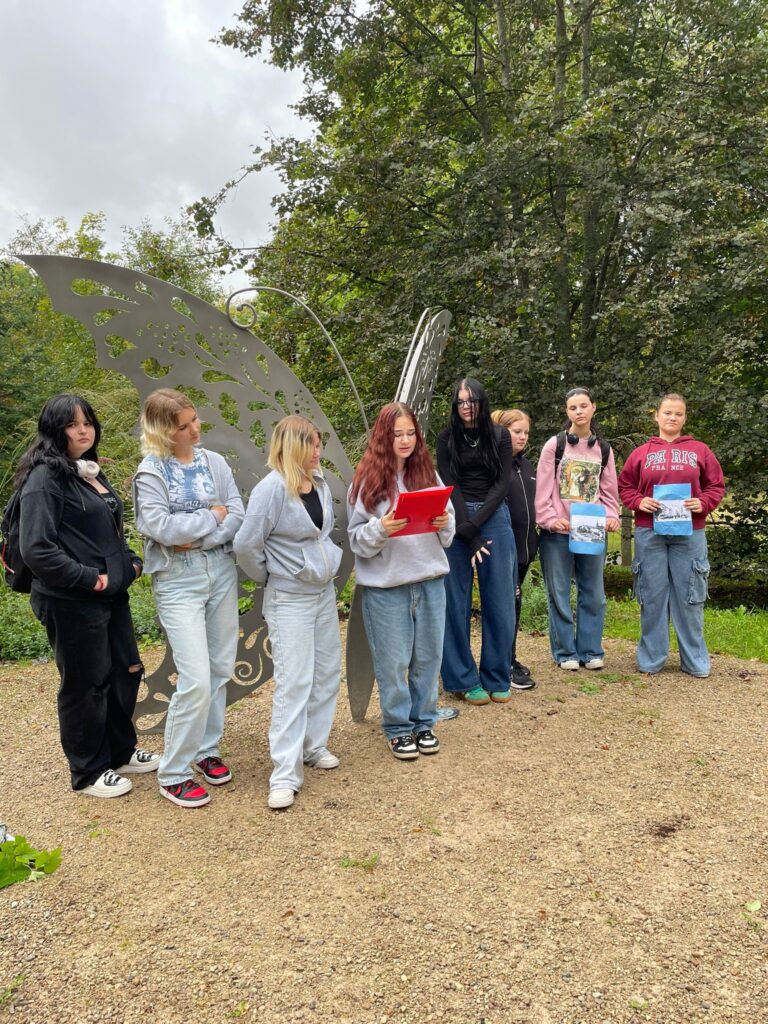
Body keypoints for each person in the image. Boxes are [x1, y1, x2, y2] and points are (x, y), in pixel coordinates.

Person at [18, 394, 157, 798]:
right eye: (72, 424)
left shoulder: (89, 471)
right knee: (85, 683)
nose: (83, 430)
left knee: (124, 671)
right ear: (54, 430)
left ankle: (120, 751)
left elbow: (108, 529)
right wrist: (91, 579)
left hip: (110, 596)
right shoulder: (44, 478)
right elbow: (36, 548)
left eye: (87, 423)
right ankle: (89, 771)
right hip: (70, 600)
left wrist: (130, 562)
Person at [134, 388, 244, 808]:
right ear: (164, 432)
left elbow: (237, 514)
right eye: (184, 426)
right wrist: (211, 516)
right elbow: (161, 528)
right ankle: (174, 772)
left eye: (194, 419)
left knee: (219, 668)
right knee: (195, 677)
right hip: (178, 579)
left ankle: (205, 749)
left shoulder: (214, 462)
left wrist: (199, 532)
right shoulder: (151, 472)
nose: (195, 429)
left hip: (220, 570)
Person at [234, 415, 343, 809]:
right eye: (312, 444)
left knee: (326, 671)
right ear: (293, 445)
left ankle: (313, 746)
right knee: (294, 682)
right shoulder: (271, 489)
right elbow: (246, 544)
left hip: (322, 593)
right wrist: (271, 575)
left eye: (319, 443)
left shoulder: (320, 482)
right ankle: (284, 773)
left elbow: (321, 534)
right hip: (290, 598)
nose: (318, 451)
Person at [347, 402, 455, 759]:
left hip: (430, 580)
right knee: (393, 662)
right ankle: (397, 728)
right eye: (397, 434)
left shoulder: (428, 474)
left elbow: (449, 527)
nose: (405, 440)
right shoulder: (365, 481)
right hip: (386, 587)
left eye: (411, 433)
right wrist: (382, 528)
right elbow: (356, 540)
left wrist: (444, 523)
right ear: (383, 437)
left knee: (427, 658)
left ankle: (424, 722)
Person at [618, 393, 724, 677]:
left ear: (685, 418)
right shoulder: (641, 453)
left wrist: (703, 502)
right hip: (649, 531)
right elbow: (625, 486)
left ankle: (694, 661)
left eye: (678, 413)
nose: (672, 417)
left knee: (690, 596)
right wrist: (639, 501)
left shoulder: (700, 451)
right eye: (667, 412)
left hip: (689, 532)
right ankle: (651, 659)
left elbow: (716, 486)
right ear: (657, 416)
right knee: (652, 595)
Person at [436, 377, 517, 704]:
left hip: (493, 515)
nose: (466, 407)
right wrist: (466, 531)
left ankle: (497, 675)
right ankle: (462, 679)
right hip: (455, 516)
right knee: (454, 602)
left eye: (472, 400)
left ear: (482, 402)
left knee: (499, 600)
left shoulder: (500, 435)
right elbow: (449, 483)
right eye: (461, 402)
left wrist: (475, 525)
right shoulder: (446, 438)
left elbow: (502, 484)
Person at [534, 387, 620, 670]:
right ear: (567, 412)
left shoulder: (603, 449)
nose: (579, 411)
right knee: (559, 593)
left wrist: (611, 516)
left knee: (593, 592)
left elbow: (609, 491)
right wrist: (549, 518)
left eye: (584, 406)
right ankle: (565, 652)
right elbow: (543, 489)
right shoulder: (555, 446)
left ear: (593, 407)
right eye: (573, 407)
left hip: (591, 531)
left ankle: (590, 650)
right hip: (558, 532)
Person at [491, 409, 538, 690]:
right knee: (504, 607)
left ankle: (510, 658)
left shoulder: (527, 467)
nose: (522, 437)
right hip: (502, 551)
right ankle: (502, 665)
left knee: (515, 606)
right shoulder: (493, 465)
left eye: (526, 433)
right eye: (516, 431)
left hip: (525, 550)